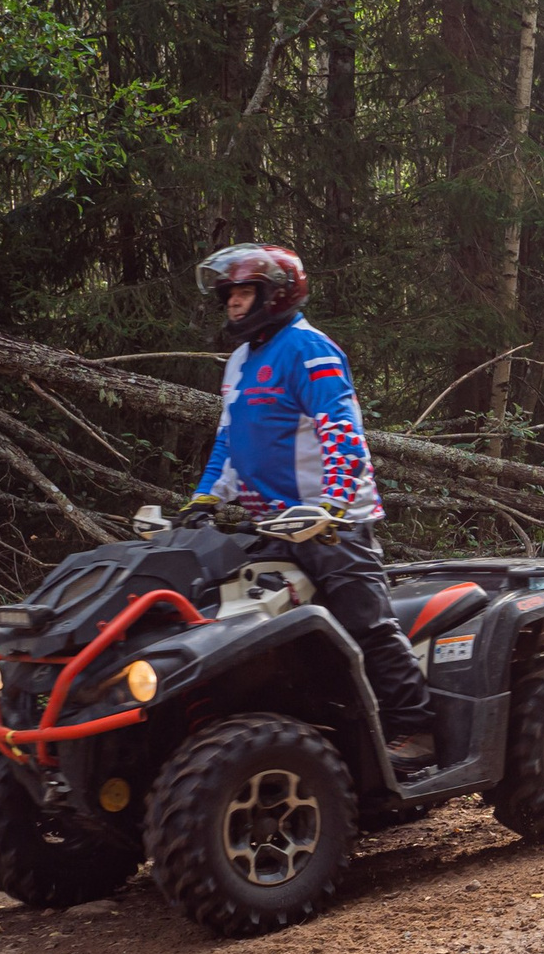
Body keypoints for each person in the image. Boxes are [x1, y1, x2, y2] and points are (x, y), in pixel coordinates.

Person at [182, 244, 440, 776]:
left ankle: (414, 727)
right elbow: (230, 442)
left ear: (277, 293)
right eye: (228, 293)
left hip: (330, 526)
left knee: (365, 622)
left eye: (244, 291)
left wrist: (334, 504)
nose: (232, 302)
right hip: (269, 526)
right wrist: (206, 499)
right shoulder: (240, 360)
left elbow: (341, 432)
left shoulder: (310, 350)